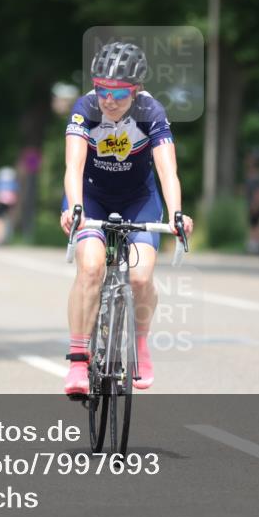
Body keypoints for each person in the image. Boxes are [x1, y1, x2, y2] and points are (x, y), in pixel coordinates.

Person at [60, 42, 193, 396]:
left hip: (139, 199)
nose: (108, 99)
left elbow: (167, 171)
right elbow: (72, 166)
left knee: (140, 275)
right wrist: (74, 209)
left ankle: (140, 344)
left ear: (136, 90)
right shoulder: (85, 108)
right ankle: (77, 359)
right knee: (89, 267)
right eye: (102, 89)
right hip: (91, 196)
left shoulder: (151, 111)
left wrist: (177, 213)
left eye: (118, 92)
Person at [244, 150, 259, 254]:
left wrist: (256, 204)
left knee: (256, 224)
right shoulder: (250, 175)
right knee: (253, 224)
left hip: (256, 204)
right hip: (252, 203)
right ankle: (254, 244)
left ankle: (257, 244)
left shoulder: (257, 176)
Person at [0, 166, 19, 246]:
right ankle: (3, 238)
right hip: (9, 204)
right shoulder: (13, 183)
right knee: (5, 220)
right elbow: (16, 195)